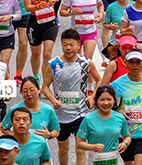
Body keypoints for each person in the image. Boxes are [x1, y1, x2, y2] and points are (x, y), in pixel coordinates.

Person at [42, 29, 101, 165]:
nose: (68, 48)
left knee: (80, 149)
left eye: (72, 44)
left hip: (81, 113)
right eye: (65, 44)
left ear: (78, 45)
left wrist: (92, 97)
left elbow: (99, 80)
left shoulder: (86, 62)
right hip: (61, 114)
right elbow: (45, 86)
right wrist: (53, 100)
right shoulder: (54, 64)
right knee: (63, 149)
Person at [111, 49, 142, 165]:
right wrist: (118, 112)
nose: (135, 65)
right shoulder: (116, 84)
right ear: (125, 63)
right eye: (131, 62)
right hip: (124, 133)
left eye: (138, 62)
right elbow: (106, 105)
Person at [76, 85, 131, 163]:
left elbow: (127, 136)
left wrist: (125, 144)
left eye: (109, 99)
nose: (106, 103)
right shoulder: (88, 119)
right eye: (102, 100)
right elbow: (79, 143)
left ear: (114, 100)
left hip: (114, 159)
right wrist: (93, 147)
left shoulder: (120, 118)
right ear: (96, 101)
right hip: (95, 159)